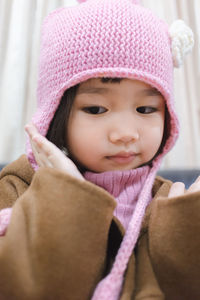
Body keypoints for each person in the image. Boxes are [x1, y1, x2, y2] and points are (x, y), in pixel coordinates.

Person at [0, 0, 199, 299]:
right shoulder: (17, 189)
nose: (125, 134)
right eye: (96, 108)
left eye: (146, 108)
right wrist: (67, 195)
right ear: (56, 112)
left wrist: (185, 232)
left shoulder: (171, 202)